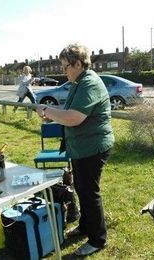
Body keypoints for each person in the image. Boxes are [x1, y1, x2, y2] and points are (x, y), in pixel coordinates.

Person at [36, 43, 114, 256]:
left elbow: (73, 117)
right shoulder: (78, 82)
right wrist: (52, 114)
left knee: (89, 193)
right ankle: (85, 226)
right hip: (82, 147)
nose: (64, 71)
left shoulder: (89, 83)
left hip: (93, 147)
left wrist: (47, 110)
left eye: (66, 66)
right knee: (81, 188)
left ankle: (98, 240)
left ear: (78, 63)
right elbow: (69, 111)